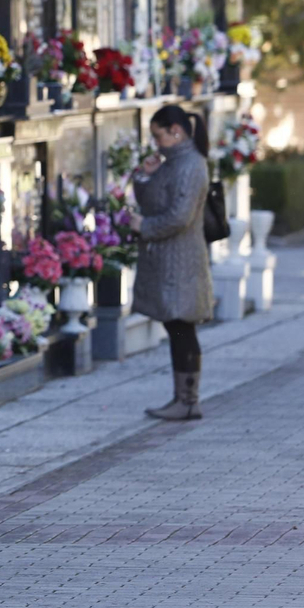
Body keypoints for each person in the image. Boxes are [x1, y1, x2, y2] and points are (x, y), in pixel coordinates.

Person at [130, 104, 214, 421]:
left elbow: (180, 216)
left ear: (175, 131)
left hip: (182, 261)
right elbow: (150, 199)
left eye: (158, 136)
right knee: (175, 326)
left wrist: (145, 227)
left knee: (181, 327)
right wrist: (143, 174)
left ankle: (189, 400)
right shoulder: (171, 163)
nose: (156, 143)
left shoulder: (191, 165)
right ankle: (183, 398)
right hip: (167, 260)